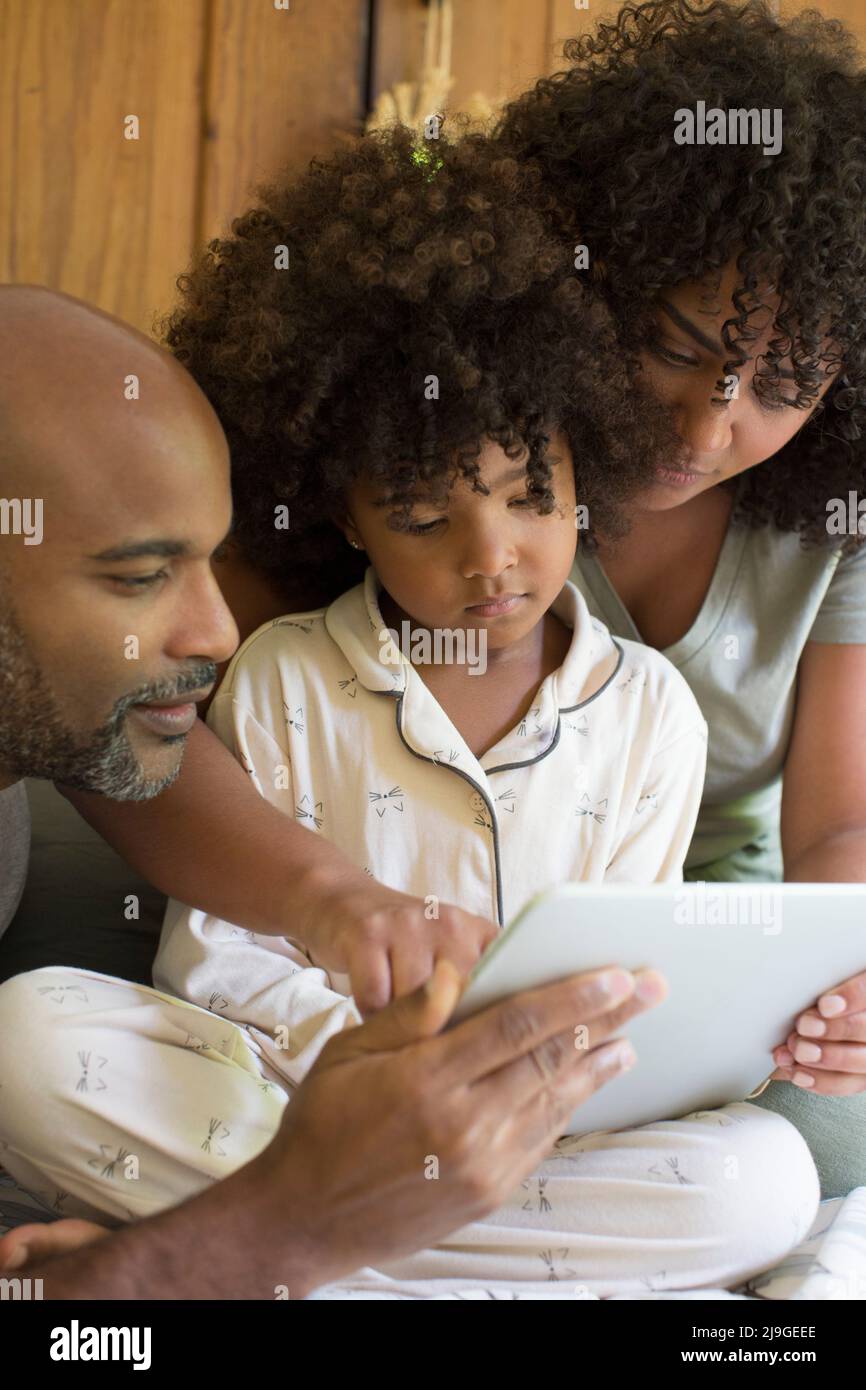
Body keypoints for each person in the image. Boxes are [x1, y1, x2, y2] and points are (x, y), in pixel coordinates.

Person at [0, 140, 821, 1297]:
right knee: (26, 1041)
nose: (493, 558)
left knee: (768, 1176)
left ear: (587, 477)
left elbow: (627, 983)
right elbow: (216, 962)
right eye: (425, 515)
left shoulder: (649, 714)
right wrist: (365, 1072)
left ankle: (300, 1263)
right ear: (345, 516)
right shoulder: (286, 676)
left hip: (535, 1141)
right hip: (289, 1107)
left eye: (532, 499)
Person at [491, 0, 866, 1191]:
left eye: (783, 383)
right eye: (672, 341)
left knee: (819, 1145)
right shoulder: (469, 473)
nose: (709, 426)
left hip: (719, 962)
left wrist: (833, 991)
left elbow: (840, 830)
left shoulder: (839, 526)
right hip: (481, 926)